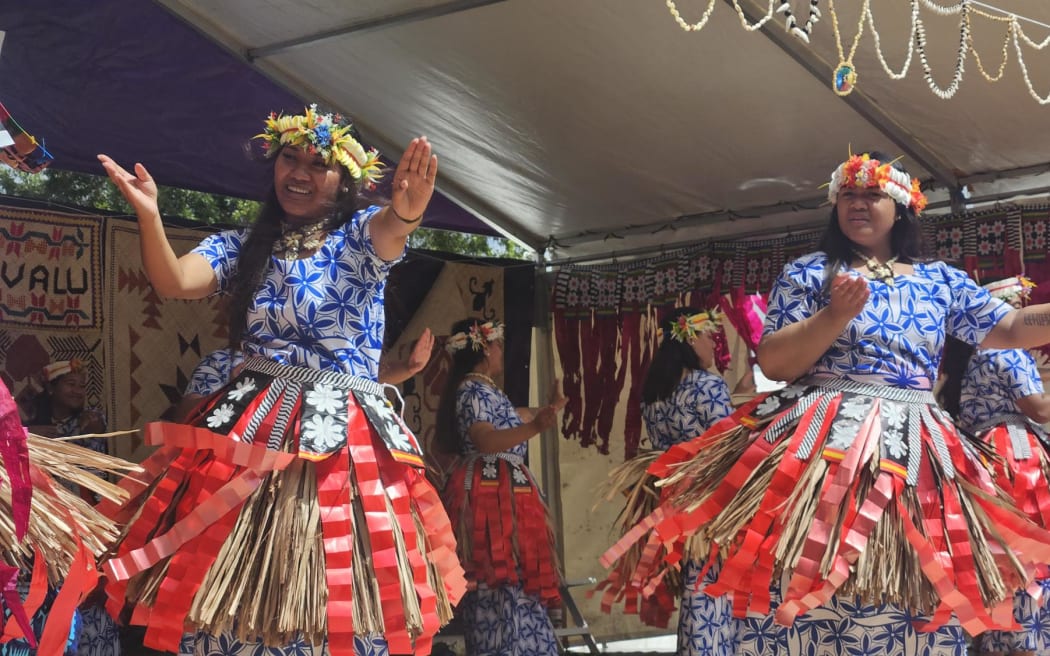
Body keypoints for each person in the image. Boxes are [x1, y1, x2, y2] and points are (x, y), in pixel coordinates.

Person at [603, 151, 1050, 656]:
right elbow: (774, 362)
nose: (857, 204)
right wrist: (833, 316)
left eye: (872, 194)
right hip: (822, 446)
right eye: (848, 195)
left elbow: (1009, 328)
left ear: (901, 205)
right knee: (807, 569)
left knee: (917, 575)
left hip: (913, 452)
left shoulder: (939, 280)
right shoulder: (809, 273)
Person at [96, 105, 464, 656]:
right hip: (253, 429)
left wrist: (406, 214)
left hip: (340, 443)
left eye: (318, 165)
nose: (300, 173)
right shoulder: (242, 245)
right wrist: (150, 216)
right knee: (233, 589)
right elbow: (173, 280)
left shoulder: (359, 239)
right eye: (290, 158)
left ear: (345, 180)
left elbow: (390, 230)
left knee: (333, 581)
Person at [596, 306, 738, 654]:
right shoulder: (707, 385)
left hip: (676, 505)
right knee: (719, 583)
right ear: (690, 336)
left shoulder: (654, 393)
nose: (713, 345)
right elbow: (731, 443)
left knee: (697, 582)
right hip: (712, 502)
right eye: (709, 336)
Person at [434, 318, 564, 656]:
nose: (502, 352)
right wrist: (537, 426)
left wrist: (547, 412)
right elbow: (487, 439)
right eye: (499, 344)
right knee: (499, 576)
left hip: (504, 491)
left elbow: (516, 416)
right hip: (491, 498)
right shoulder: (471, 389)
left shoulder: (484, 389)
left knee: (516, 579)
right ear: (485, 347)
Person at [940, 276, 1050, 656]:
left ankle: (995, 634)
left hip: (978, 456)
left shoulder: (969, 358)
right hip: (1014, 456)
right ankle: (1024, 638)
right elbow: (1037, 409)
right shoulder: (1007, 353)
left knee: (997, 549)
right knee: (1027, 549)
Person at [169, 331, 434, 422]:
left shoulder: (316, 359)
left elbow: (368, 377)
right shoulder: (222, 361)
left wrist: (409, 368)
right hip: (235, 468)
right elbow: (184, 417)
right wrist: (230, 390)